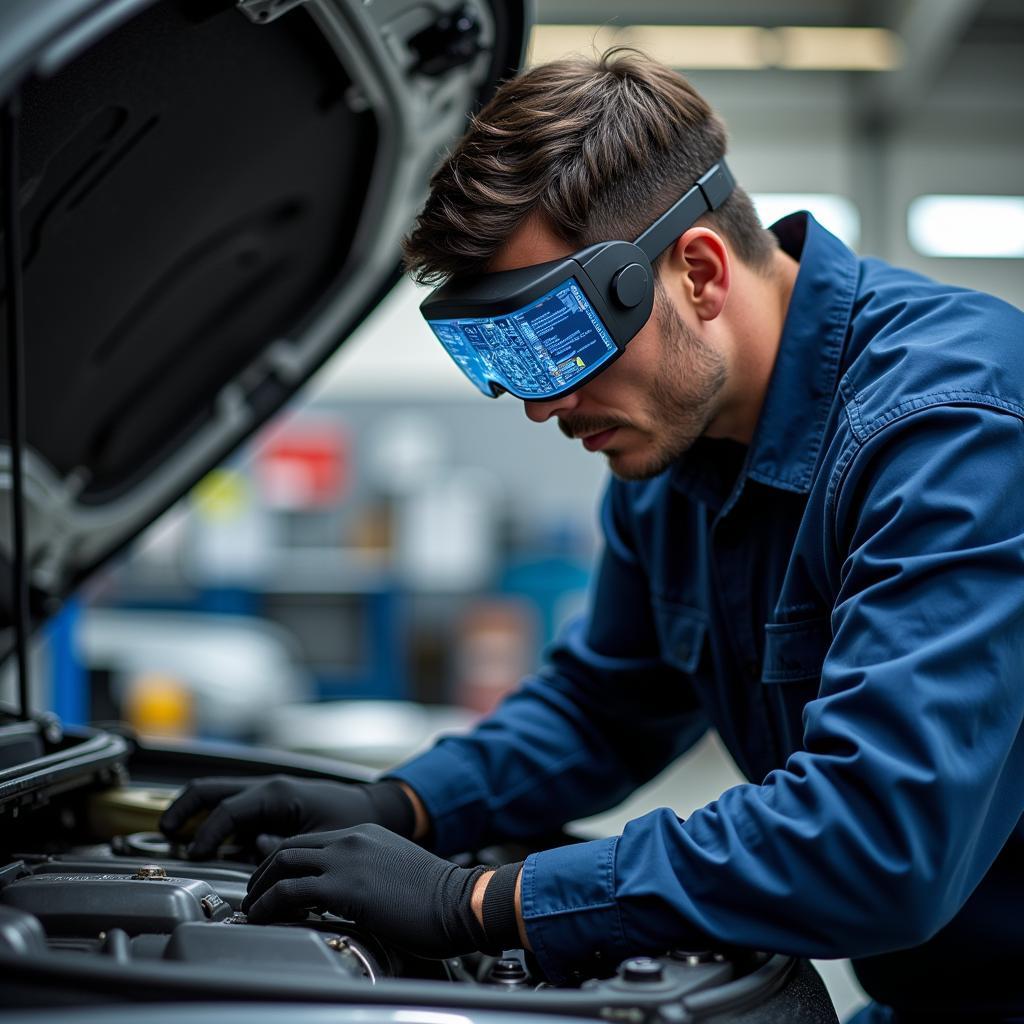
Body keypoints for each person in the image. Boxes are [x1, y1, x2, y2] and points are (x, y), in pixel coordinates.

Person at [160, 49, 1024, 1023]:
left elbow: (878, 842)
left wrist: (478, 901)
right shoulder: (671, 463)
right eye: (504, 356)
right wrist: (401, 806)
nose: (543, 403)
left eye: (560, 339)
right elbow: (603, 705)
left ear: (697, 271)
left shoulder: (953, 429)